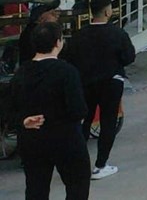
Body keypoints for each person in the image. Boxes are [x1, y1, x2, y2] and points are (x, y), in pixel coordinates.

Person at [11, 21, 92, 200]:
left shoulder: (21, 73)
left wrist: (24, 121)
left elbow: (11, 107)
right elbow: (78, 109)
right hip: (66, 137)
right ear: (58, 42)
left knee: (36, 188)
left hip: (32, 138)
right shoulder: (67, 71)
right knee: (77, 183)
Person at [61, 0, 135, 181]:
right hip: (111, 82)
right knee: (108, 122)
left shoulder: (79, 35)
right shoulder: (117, 33)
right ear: (108, 12)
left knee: (84, 122)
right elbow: (129, 57)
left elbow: (69, 59)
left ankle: (77, 165)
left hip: (86, 83)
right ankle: (100, 165)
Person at [18, 0, 62, 64]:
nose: (56, 16)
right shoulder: (36, 34)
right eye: (52, 13)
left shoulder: (29, 31)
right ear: (40, 17)